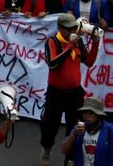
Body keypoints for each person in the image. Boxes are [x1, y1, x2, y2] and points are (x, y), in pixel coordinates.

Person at [40, 13, 100, 164]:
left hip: (75, 92)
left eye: (73, 28)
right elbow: (53, 65)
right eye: (68, 29)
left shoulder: (78, 42)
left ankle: (70, 159)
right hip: (56, 92)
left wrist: (96, 43)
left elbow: (89, 62)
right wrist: (70, 46)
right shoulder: (52, 42)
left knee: (75, 127)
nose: (72, 31)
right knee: (50, 126)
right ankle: (46, 150)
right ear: (60, 28)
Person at [60, 96, 113, 165]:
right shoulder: (79, 129)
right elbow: (64, 150)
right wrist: (73, 135)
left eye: (91, 113)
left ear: (99, 115)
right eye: (85, 113)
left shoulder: (110, 130)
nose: (87, 116)